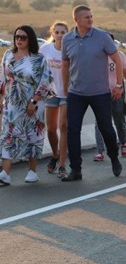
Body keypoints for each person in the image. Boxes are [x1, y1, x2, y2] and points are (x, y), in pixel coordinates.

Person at [61, 5, 123, 182]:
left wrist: (118, 85)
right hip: (76, 93)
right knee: (72, 130)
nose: (90, 19)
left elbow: (117, 60)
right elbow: (65, 64)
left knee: (106, 129)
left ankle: (114, 157)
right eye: (86, 17)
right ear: (76, 20)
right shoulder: (67, 39)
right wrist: (65, 88)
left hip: (100, 93)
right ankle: (76, 170)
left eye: (91, 16)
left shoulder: (102, 37)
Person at [0, 25, 54, 185]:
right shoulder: (8, 55)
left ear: (29, 39)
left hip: (32, 104)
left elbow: (45, 81)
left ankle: (32, 171)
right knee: (8, 136)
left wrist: (34, 101)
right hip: (11, 104)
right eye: (17, 37)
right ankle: (6, 173)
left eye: (23, 37)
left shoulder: (38, 59)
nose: (19, 40)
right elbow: (2, 79)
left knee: (33, 135)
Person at [93, 33, 126, 162]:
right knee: (99, 123)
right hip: (100, 93)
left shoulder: (119, 56)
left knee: (119, 119)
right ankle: (100, 150)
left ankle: (123, 143)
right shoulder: (96, 57)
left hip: (117, 93)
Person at [40, 21, 69, 179]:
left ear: (67, 33)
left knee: (63, 126)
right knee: (51, 129)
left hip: (66, 93)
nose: (59, 35)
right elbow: (39, 70)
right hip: (51, 93)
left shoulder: (70, 49)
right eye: (57, 32)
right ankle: (55, 154)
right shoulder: (45, 49)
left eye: (63, 32)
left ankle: (63, 165)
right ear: (52, 33)